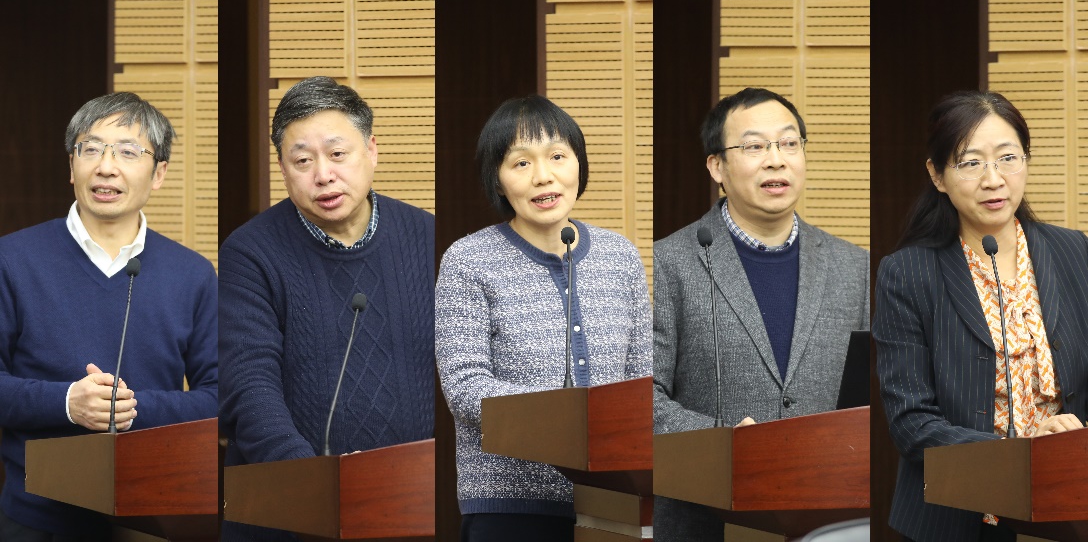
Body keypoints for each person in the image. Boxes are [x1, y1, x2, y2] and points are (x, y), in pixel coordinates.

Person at [218, 76, 435, 541]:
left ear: (371, 150)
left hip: (413, 506)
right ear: (282, 168)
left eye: (338, 154)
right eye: (302, 160)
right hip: (291, 512)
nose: (323, 174)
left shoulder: (430, 238)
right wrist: (313, 483)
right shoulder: (250, 253)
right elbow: (249, 386)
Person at [652, 87, 870, 541]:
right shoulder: (668, 263)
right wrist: (724, 440)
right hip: (707, 520)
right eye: (754, 147)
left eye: (789, 143)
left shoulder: (854, 266)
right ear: (717, 166)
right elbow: (642, 398)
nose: (776, 160)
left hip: (827, 520)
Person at [0, 92, 218, 541]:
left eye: (128, 152)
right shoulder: (12, 259)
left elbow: (223, 397)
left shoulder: (193, 274)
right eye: (91, 149)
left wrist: (132, 408)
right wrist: (67, 403)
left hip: (153, 516)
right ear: (72, 165)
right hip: (36, 518)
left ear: (158, 173)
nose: (106, 166)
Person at [435, 95, 652, 542]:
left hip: (614, 503)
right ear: (498, 181)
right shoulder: (468, 260)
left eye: (557, 156)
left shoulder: (620, 257)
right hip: (510, 507)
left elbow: (642, 381)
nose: (543, 176)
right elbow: (464, 386)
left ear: (579, 165)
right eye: (520, 163)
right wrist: (564, 418)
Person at [874, 91, 1088, 542]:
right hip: (957, 513)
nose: (994, 180)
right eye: (971, 163)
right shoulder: (907, 274)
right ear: (937, 175)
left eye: (1008, 158)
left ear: (1026, 161)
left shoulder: (1074, 251)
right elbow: (911, 423)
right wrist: (1018, 453)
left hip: (1067, 507)